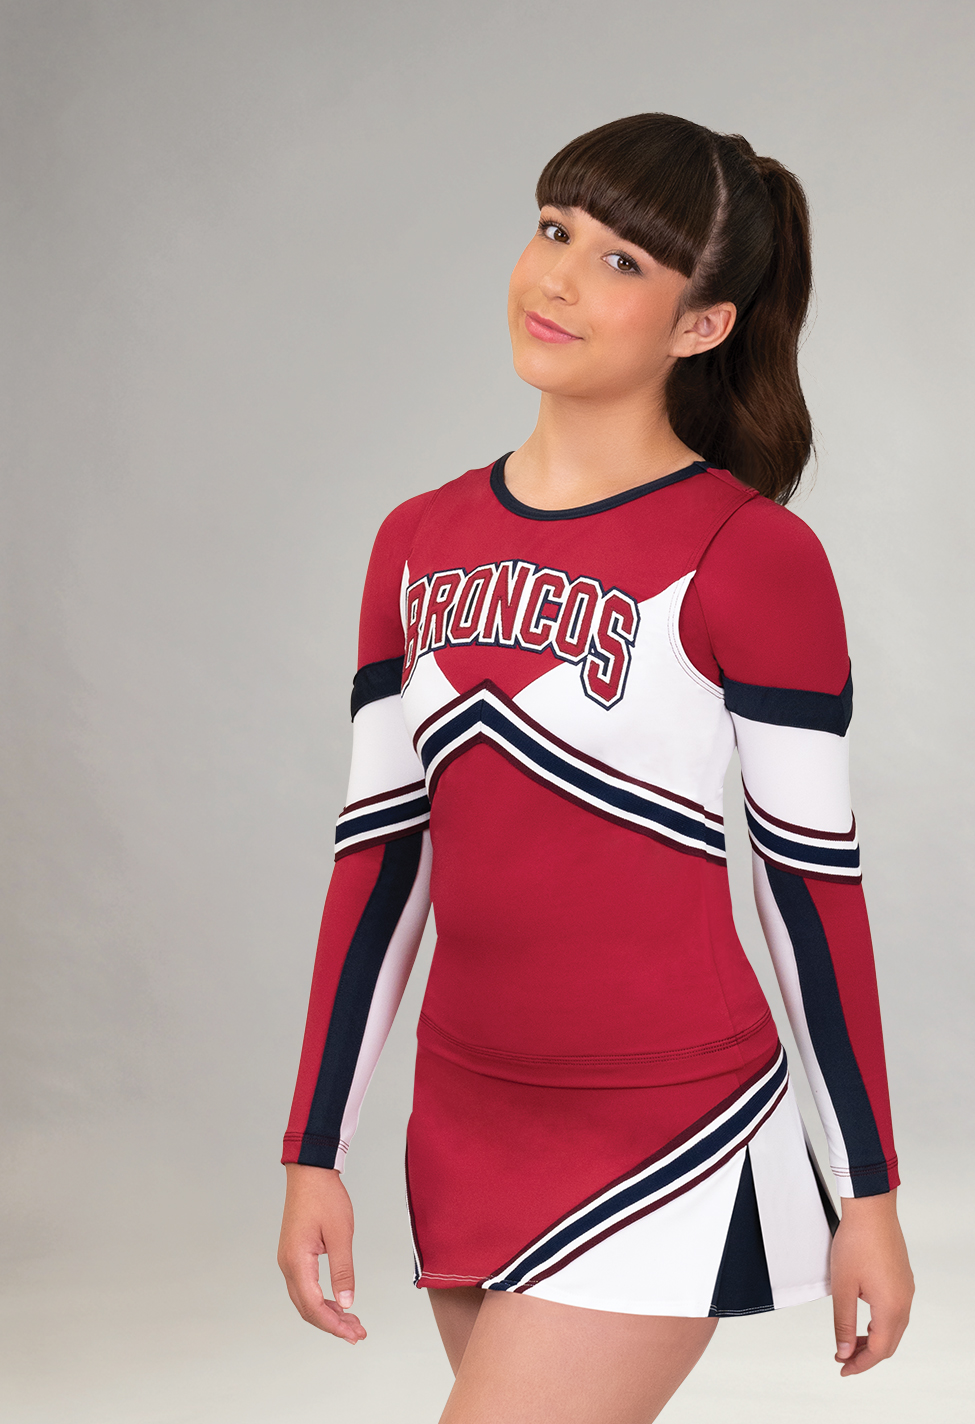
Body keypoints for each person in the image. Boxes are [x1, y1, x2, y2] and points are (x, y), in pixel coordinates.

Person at [277, 112, 914, 1423]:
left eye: (623, 261)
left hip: (667, 1129)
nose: (558, 277)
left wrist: (867, 1192)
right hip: (467, 1117)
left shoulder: (754, 556)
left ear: (703, 324)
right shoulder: (415, 540)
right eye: (554, 229)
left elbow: (809, 889)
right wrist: (314, 1149)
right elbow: (379, 860)